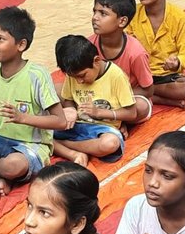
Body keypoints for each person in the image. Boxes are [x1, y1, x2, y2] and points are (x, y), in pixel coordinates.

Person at [0, 5, 69, 195]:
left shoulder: (36, 75)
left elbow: (60, 121)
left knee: (12, 166)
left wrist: (23, 118)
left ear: (21, 45)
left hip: (31, 145)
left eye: (0, 39)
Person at [53, 34, 135, 165]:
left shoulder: (116, 76)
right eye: (73, 77)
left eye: (82, 75)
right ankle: (76, 151)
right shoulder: (74, 74)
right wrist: (71, 110)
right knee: (37, 127)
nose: (79, 81)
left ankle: (62, 145)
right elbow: (68, 99)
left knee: (110, 144)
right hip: (75, 125)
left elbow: (131, 113)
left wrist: (99, 112)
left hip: (102, 129)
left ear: (96, 61)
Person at [91, 0, 154, 122]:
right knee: (57, 90)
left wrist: (112, 97)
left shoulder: (136, 53)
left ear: (122, 21)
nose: (95, 18)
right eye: (94, 11)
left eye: (103, 13)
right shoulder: (89, 45)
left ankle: (115, 121)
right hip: (94, 96)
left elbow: (148, 90)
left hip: (124, 99)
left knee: (141, 106)